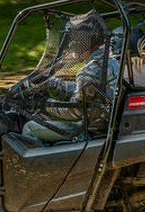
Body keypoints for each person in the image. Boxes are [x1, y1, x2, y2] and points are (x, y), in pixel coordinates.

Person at [16, 12, 122, 144]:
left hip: (89, 132)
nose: (71, 47)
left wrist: (45, 105)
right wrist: (51, 83)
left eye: (73, 42)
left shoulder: (87, 72)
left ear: (81, 43)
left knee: (30, 127)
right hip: (105, 125)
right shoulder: (111, 62)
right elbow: (86, 92)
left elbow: (74, 111)